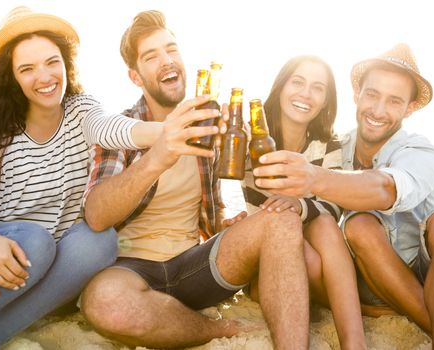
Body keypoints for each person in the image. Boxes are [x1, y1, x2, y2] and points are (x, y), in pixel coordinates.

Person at [0, 6, 218, 350]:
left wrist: (166, 131)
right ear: (13, 77)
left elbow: (117, 129)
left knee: (100, 241)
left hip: (54, 275)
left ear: (66, 64)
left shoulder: (81, 111)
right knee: (35, 241)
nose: (45, 76)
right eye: (28, 68)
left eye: (52, 62)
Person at [80, 10, 310, 349]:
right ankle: (213, 329)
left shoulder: (209, 124)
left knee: (283, 221)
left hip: (193, 266)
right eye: (152, 56)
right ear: (135, 76)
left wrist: (227, 226)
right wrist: (158, 155)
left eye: (171, 50)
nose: (167, 60)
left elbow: (214, 206)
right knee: (107, 304)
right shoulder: (123, 129)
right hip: (130, 268)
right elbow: (96, 214)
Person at [254, 43, 434, 348]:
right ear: (357, 93)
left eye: (394, 100)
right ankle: (429, 322)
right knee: (346, 228)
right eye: (372, 94)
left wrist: (316, 177)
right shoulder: (334, 146)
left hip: (420, 273)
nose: (377, 110)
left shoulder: (421, 152)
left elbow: (385, 188)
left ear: (409, 108)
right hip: (357, 275)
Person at [242, 55, 366, 349]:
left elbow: (335, 205)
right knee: (302, 241)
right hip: (268, 255)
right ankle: (358, 311)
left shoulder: (329, 145)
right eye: (297, 82)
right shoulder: (252, 136)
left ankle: (354, 343)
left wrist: (299, 205)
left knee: (323, 223)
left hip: (312, 246)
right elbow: (218, 175)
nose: (305, 94)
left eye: (317, 88)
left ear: (326, 102)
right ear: (281, 87)